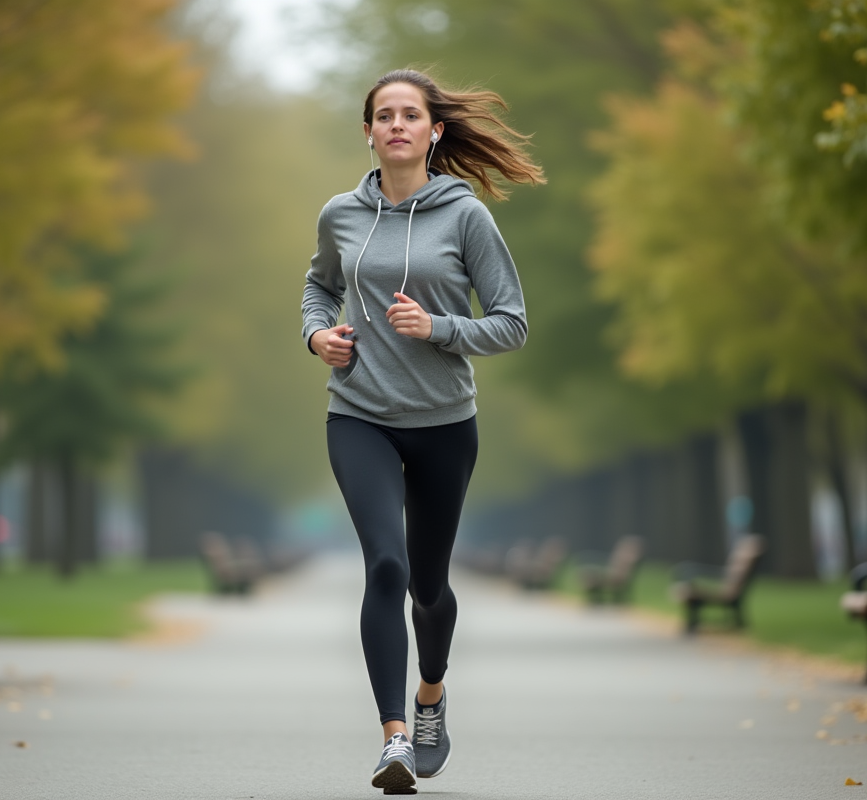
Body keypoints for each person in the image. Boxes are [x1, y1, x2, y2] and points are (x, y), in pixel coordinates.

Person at [301, 68, 544, 795]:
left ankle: (430, 694)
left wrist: (438, 328)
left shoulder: (467, 218)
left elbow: (511, 323)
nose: (398, 125)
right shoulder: (341, 214)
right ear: (369, 132)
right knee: (387, 566)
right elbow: (318, 285)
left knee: (429, 587)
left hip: (443, 424)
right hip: (360, 415)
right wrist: (318, 337)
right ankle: (394, 739)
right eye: (385, 115)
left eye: (412, 114)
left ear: (435, 132)